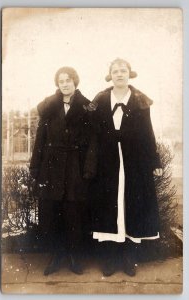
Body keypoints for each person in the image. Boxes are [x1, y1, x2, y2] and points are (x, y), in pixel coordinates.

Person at [88, 58, 163, 277]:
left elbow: (148, 134)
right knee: (109, 206)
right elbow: (93, 132)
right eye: (115, 71)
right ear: (109, 75)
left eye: (123, 71)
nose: (119, 74)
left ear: (130, 74)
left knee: (133, 205)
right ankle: (111, 258)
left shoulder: (140, 100)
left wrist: (154, 161)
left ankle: (129, 258)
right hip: (107, 162)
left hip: (135, 162)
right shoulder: (101, 99)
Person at [30, 66, 95, 276]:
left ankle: (74, 257)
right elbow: (40, 139)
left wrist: (88, 169)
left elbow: (93, 142)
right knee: (52, 213)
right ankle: (57, 256)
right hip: (51, 167)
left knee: (74, 213)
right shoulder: (49, 107)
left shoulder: (87, 107)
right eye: (61, 81)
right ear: (57, 84)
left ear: (75, 81)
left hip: (75, 168)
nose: (65, 84)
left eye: (68, 80)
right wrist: (35, 167)